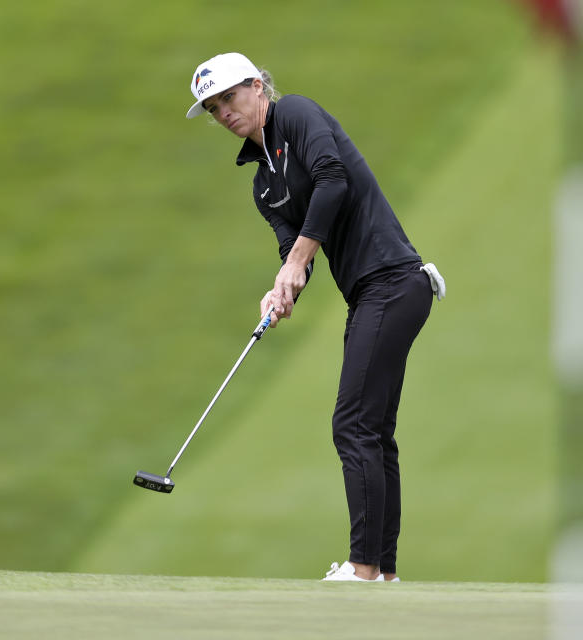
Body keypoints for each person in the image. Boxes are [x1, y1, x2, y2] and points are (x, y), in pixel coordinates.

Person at [185, 52, 445, 582]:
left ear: (258, 87)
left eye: (229, 97)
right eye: (213, 108)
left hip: (394, 281)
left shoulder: (297, 114)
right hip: (371, 292)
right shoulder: (263, 186)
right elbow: (293, 252)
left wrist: (299, 259)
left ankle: (364, 568)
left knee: (352, 424)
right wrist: (281, 290)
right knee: (373, 430)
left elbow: (333, 179)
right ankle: (385, 573)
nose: (224, 113)